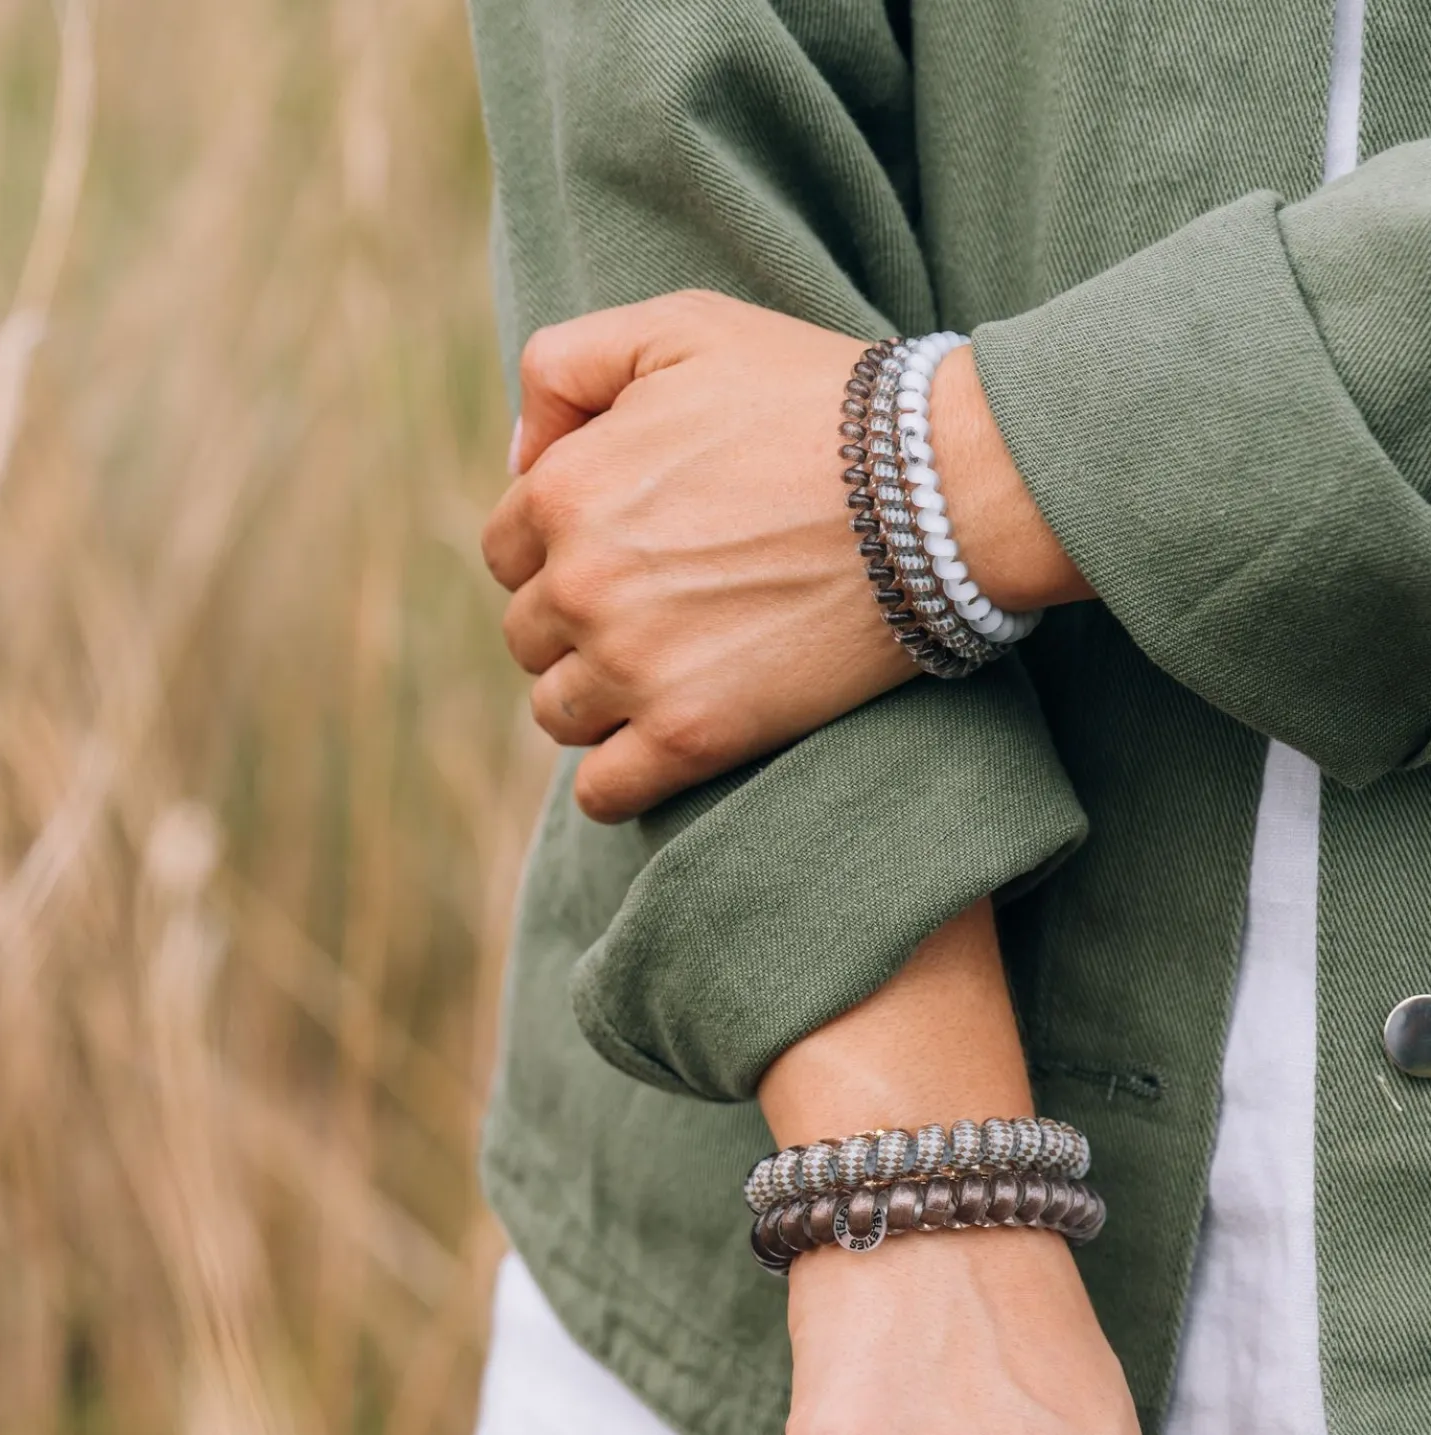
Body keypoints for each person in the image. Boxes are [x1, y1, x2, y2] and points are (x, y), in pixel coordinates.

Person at [467, 0, 1431, 1429]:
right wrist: (905, 1171)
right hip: (799, 1307)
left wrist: (951, 471)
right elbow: (652, 109)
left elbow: (752, 502)